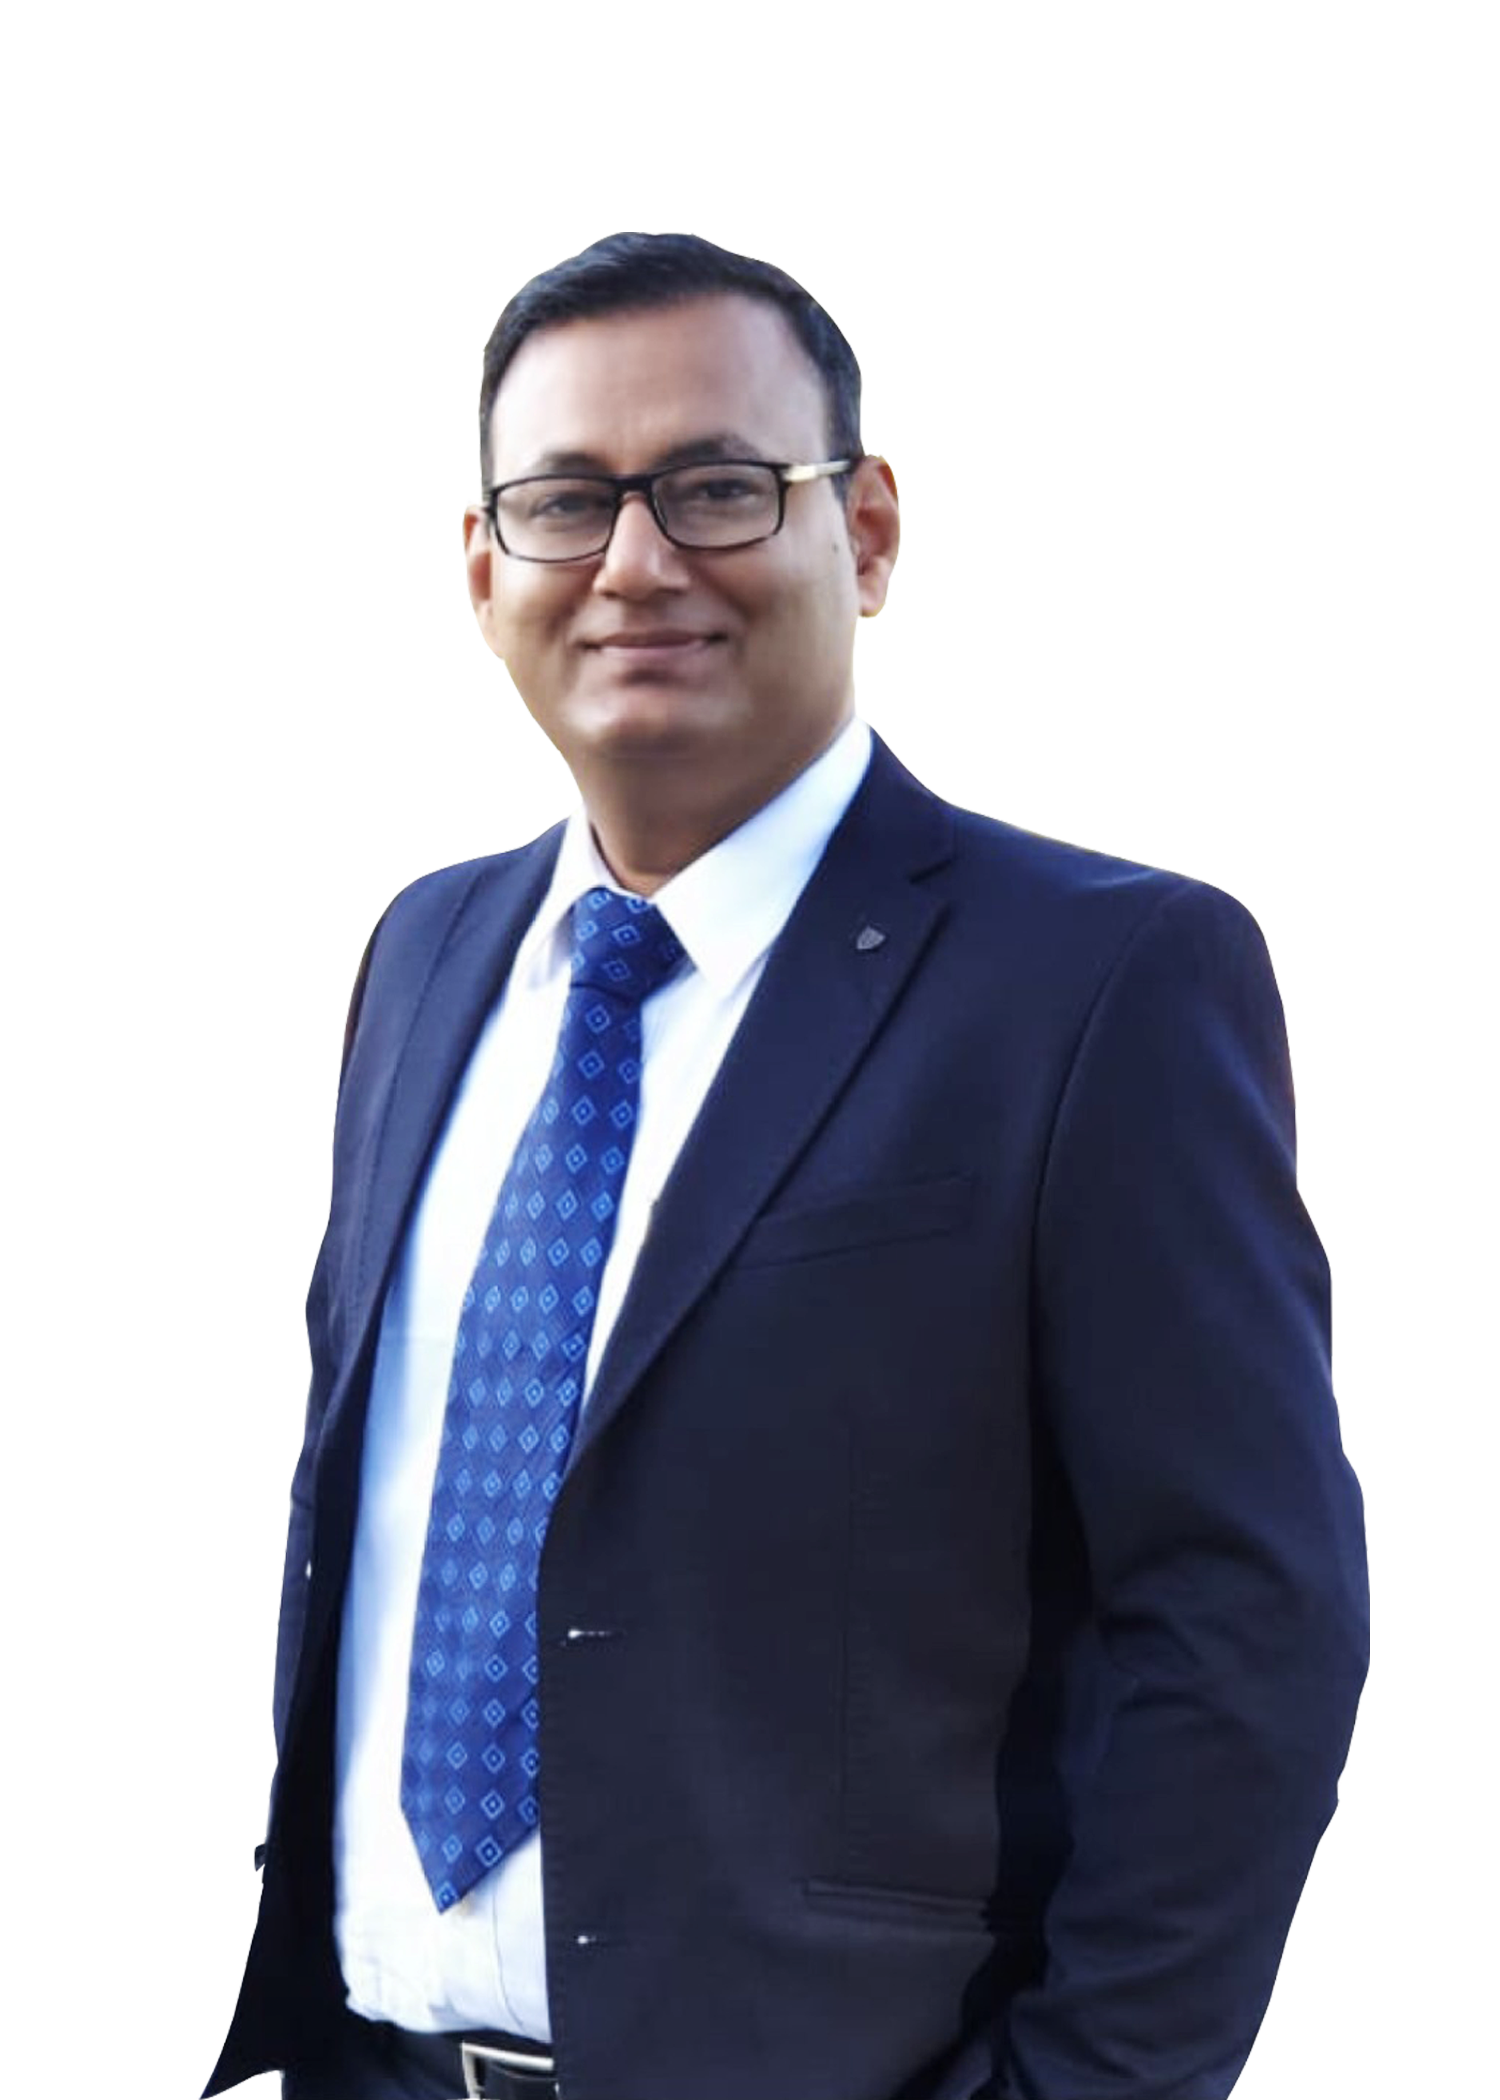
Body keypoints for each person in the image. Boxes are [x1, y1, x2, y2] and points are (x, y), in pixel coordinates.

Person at [205, 233, 1369, 2100]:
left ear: (870, 527)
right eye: (566, 502)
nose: (636, 563)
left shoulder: (1100, 985)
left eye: (719, 487)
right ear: (485, 566)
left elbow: (1245, 1624)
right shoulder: (425, 958)